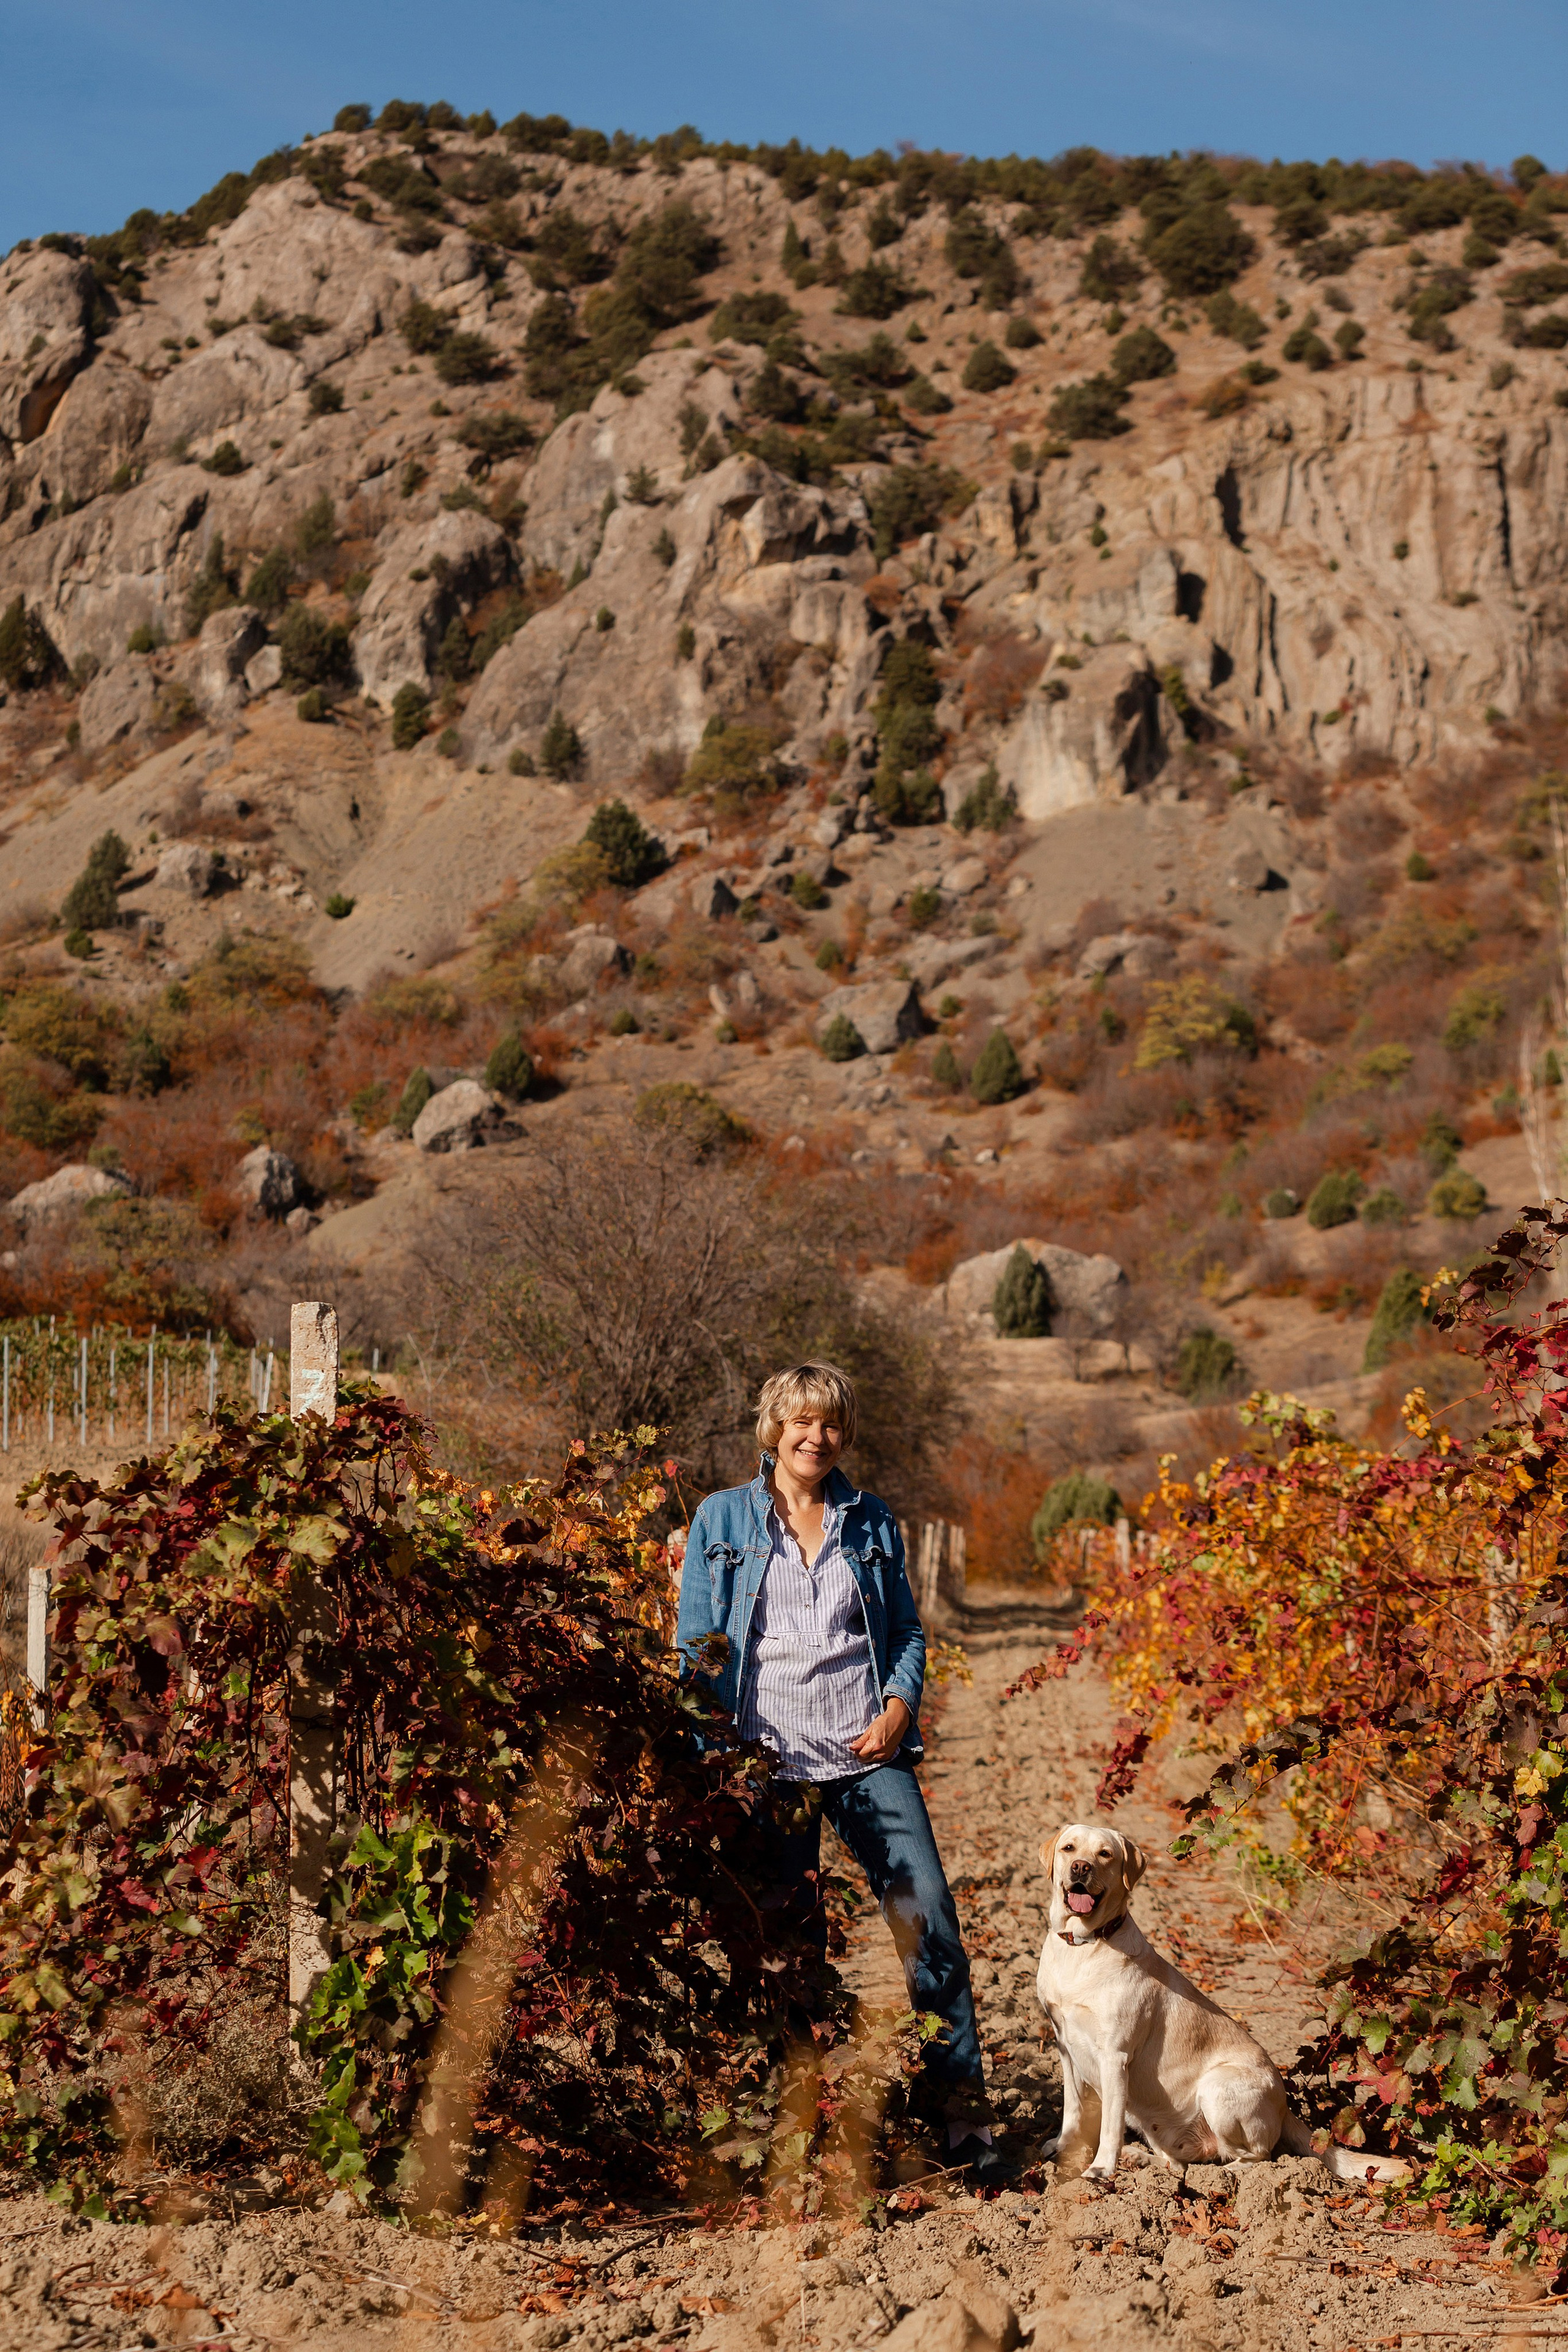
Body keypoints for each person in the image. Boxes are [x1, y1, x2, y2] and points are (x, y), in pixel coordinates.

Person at [676, 1361, 1005, 2180]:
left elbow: (906, 1635)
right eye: (801, 1421)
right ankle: (798, 2121)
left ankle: (960, 2116)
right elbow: (696, 1650)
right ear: (774, 1428)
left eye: (829, 1424)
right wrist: (715, 1761)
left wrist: (899, 1705)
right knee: (789, 1945)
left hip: (865, 1756)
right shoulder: (722, 1518)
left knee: (927, 1913)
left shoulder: (872, 1520)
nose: (815, 1437)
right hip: (767, 1767)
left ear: (843, 1435)